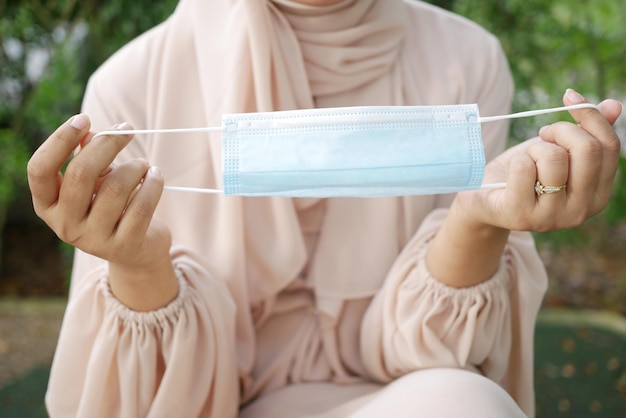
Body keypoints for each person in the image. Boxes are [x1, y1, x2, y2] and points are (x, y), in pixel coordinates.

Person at [27, 0, 622, 417]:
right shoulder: (134, 82)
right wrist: (138, 265)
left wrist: (478, 219)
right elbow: (148, 402)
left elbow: (434, 357)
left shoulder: (466, 57)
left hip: (406, 392)